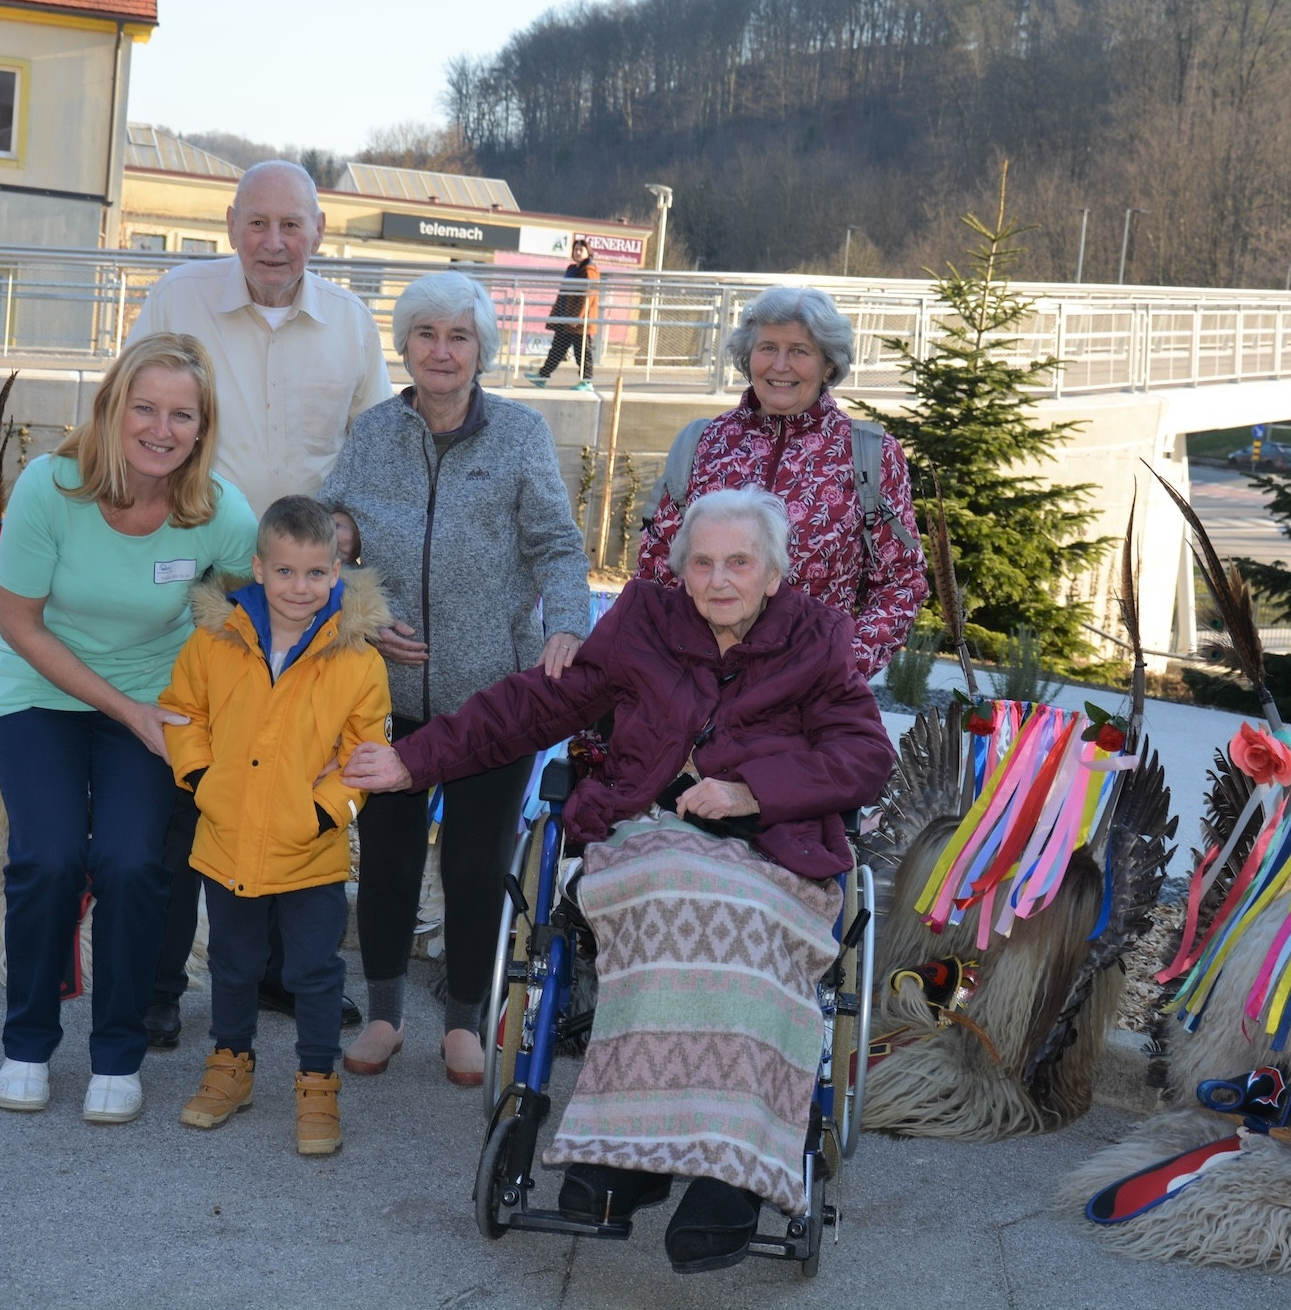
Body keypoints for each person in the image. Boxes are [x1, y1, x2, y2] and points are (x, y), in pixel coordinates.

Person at [343, 487, 895, 1273]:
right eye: (702, 562)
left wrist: (752, 789)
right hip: (651, 835)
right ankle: (630, 1154)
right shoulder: (642, 621)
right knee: (669, 903)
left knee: (744, 927)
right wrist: (414, 758)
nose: (720, 578)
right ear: (680, 571)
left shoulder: (818, 637)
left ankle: (729, 1173)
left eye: (740, 562)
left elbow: (865, 756)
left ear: (774, 574)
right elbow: (535, 705)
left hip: (775, 852)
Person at [129, 159, 393, 1047]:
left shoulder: (353, 324)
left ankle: (285, 976)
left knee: (297, 775)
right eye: (258, 224)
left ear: (320, 232)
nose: (274, 242)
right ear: (230, 225)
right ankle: (163, 988)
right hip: (207, 582)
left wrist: (348, 540)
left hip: (309, 585)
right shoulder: (177, 299)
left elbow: (374, 450)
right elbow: (134, 417)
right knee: (188, 790)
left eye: (293, 225)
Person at [323, 270, 592, 1085]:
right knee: (390, 856)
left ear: (482, 349)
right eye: (426, 335)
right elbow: (330, 533)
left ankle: (466, 1021)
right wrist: (358, 614)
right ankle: (382, 1015)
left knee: (478, 862)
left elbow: (558, 545)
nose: (441, 351)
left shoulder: (518, 433)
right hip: (389, 696)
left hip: (490, 700)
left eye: (459, 336)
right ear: (404, 345)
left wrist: (567, 628)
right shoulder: (372, 432)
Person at [0, 332, 258, 1125]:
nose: (161, 429)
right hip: (40, 686)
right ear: (112, 408)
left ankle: (116, 1054)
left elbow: (275, 597)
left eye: (182, 414)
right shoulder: (52, 488)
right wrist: (129, 710)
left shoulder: (215, 509)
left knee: (136, 860)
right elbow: (21, 624)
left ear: (202, 428)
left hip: (151, 699)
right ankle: (28, 1044)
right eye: (145, 407)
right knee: (50, 853)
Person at [158, 496, 391, 1156]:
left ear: (337, 571)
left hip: (310, 851)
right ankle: (229, 1066)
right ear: (258, 568)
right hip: (227, 838)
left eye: (316, 573)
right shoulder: (214, 642)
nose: (300, 587)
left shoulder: (358, 661)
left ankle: (317, 1082)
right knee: (234, 963)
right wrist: (202, 781)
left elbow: (364, 754)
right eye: (285, 571)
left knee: (315, 970)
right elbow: (183, 713)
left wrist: (325, 811)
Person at [636, 284, 926, 677]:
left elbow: (901, 580)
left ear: (828, 365)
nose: (780, 365)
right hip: (694, 686)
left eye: (800, 351)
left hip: (805, 699)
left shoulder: (869, 455)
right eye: (768, 347)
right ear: (748, 356)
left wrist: (843, 664)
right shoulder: (704, 443)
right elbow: (657, 568)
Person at [530, 237, 599, 391]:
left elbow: (588, 296)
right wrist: (559, 315)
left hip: (579, 322)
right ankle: (543, 376)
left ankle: (587, 381)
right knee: (557, 348)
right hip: (565, 318)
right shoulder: (572, 269)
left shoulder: (589, 271)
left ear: (588, 253)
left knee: (582, 352)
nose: (578, 252)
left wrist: (576, 318)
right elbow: (563, 293)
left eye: (581, 250)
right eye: (576, 249)